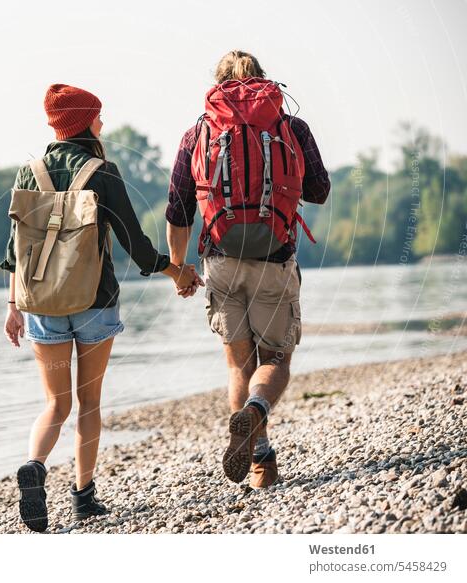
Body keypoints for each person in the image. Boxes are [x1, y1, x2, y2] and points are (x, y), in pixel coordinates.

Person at [1, 83, 200, 532]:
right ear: (84, 122)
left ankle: (34, 464)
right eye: (98, 116)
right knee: (89, 403)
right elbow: (135, 243)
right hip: (95, 302)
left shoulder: (27, 173)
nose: (103, 123)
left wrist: (13, 306)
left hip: (41, 305)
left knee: (55, 403)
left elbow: (14, 249)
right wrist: (177, 272)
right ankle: (83, 497)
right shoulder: (102, 171)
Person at [165, 51, 331, 489]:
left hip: (219, 261)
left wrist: (179, 268)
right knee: (275, 358)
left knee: (238, 366)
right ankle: (257, 412)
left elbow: (178, 209)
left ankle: (260, 457)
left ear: (217, 85)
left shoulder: (197, 132)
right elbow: (320, 190)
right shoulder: (290, 127)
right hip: (275, 259)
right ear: (263, 81)